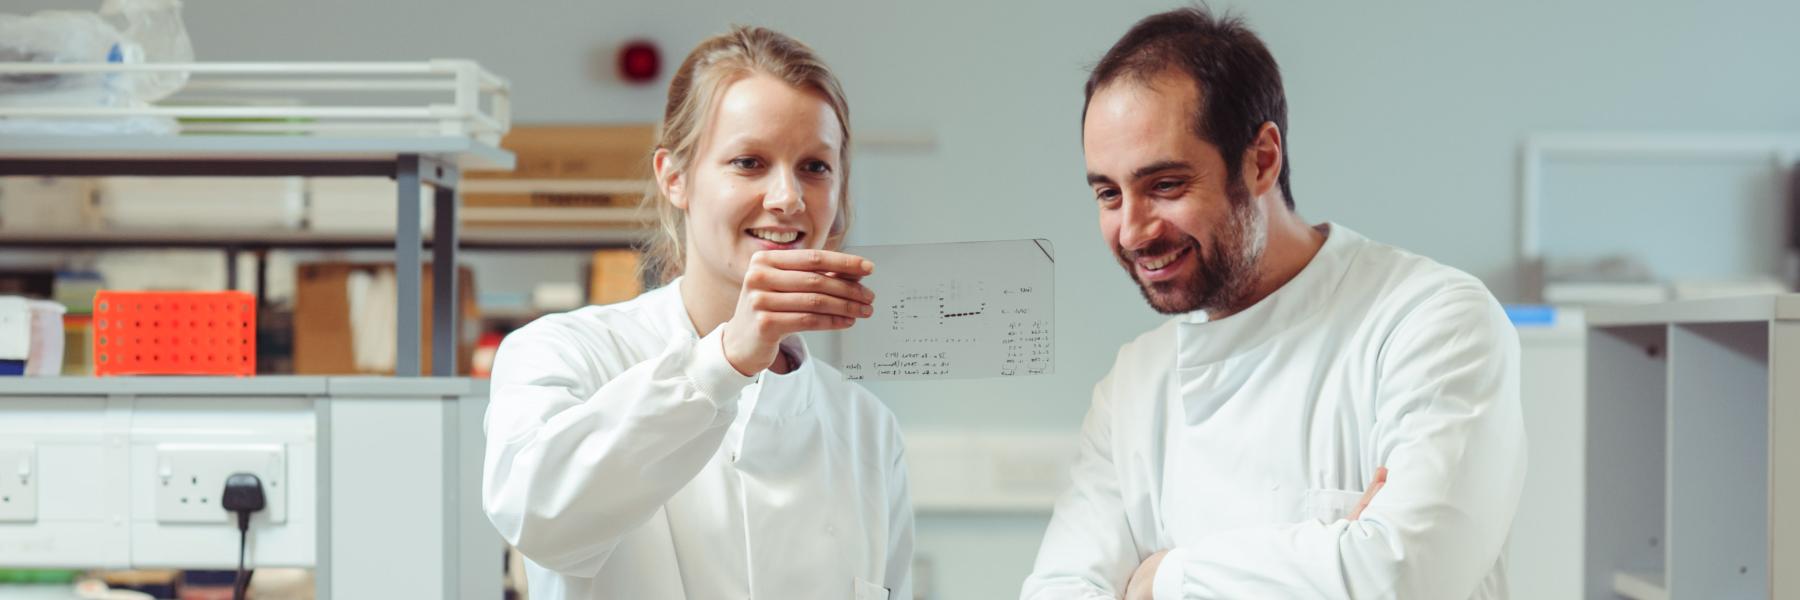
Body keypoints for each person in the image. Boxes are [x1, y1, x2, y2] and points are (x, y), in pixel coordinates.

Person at [1022, 7, 1526, 599]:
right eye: (1109, 194)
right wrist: (1330, 557)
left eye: (1165, 185)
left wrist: (1164, 578)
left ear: (1261, 160)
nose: (1133, 232)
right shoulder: (1134, 385)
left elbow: (1405, 574)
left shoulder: (1431, 322)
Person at [481, 25, 912, 600]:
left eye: (815, 167)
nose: (787, 198)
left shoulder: (866, 428)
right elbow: (536, 516)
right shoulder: (565, 353)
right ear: (674, 177)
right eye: (749, 162)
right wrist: (726, 360)